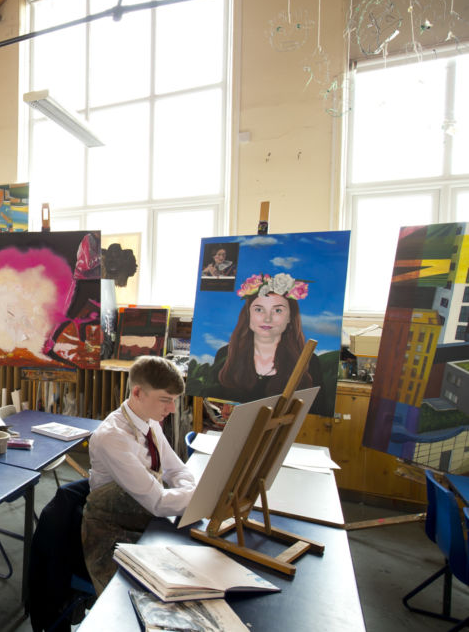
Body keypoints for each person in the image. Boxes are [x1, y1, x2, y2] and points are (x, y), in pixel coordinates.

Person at [27, 356, 194, 631]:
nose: (172, 408)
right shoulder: (113, 436)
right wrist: (200, 499)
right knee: (148, 607)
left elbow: (177, 470)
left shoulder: (150, 423)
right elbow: (158, 502)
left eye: (174, 399)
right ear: (137, 392)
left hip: (138, 516)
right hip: (108, 532)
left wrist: (191, 490)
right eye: (166, 399)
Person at [210, 272, 326, 413]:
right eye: (259, 309)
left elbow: (316, 411)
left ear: (290, 317)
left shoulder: (308, 361)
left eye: (277, 310)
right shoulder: (225, 355)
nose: (267, 319)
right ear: (248, 315)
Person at [42, 232, 102, 367]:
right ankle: (48, 346)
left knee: (100, 312)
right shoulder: (89, 239)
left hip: (95, 282)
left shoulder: (99, 241)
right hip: (82, 282)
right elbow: (87, 265)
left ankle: (81, 325)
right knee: (67, 315)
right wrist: (104, 257)